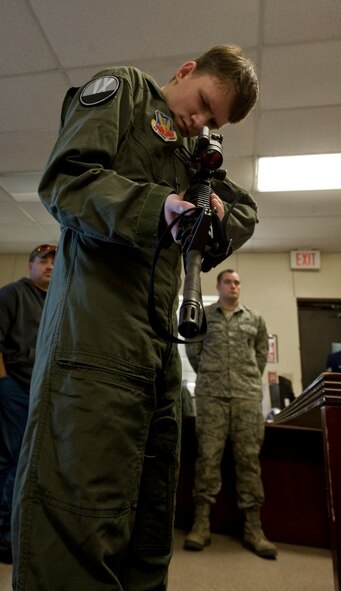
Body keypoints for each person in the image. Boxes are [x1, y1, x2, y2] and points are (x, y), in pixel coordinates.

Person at [12, 45, 260, 590]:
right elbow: (66, 181)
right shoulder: (125, 91)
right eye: (200, 105)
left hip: (156, 354)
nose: (197, 122)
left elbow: (244, 210)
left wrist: (214, 212)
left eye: (211, 121)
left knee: (146, 526)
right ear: (186, 71)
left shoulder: (195, 152)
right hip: (93, 343)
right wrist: (159, 207)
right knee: (77, 515)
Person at [184, 269, 277, 559]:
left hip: (247, 396)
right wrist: (210, 377)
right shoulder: (204, 316)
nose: (234, 286)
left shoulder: (255, 318)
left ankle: (253, 528)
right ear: (218, 286)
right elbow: (193, 352)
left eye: (237, 282)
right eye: (228, 282)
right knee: (207, 457)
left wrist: (247, 379)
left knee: (249, 459)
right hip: (212, 395)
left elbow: (261, 353)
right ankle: (201, 525)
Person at [0, 244, 56, 564]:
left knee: (29, 462)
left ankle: (18, 529)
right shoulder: (11, 295)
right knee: (11, 462)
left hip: (41, 391)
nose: (49, 266)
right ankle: (5, 535)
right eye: (43, 261)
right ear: (30, 264)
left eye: (54, 262)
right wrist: (4, 384)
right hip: (14, 388)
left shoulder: (53, 301)